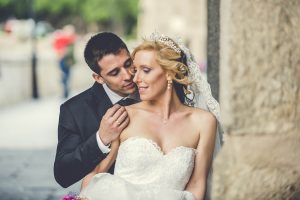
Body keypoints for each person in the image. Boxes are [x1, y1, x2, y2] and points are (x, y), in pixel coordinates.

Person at [79, 33, 223, 200]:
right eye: (135, 70)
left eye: (145, 70)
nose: (135, 78)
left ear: (170, 73)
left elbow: (197, 184)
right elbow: (97, 172)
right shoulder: (124, 114)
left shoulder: (203, 122)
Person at [54, 32, 139, 188]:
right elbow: (63, 175)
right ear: (98, 78)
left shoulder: (156, 90)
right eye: (115, 73)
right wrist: (100, 139)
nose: (128, 76)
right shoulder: (74, 110)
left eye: (128, 64)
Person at [53, 25, 77, 98]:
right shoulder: (67, 38)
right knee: (65, 76)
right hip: (64, 60)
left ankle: (65, 91)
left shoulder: (67, 38)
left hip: (65, 60)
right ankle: (65, 91)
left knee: (65, 76)